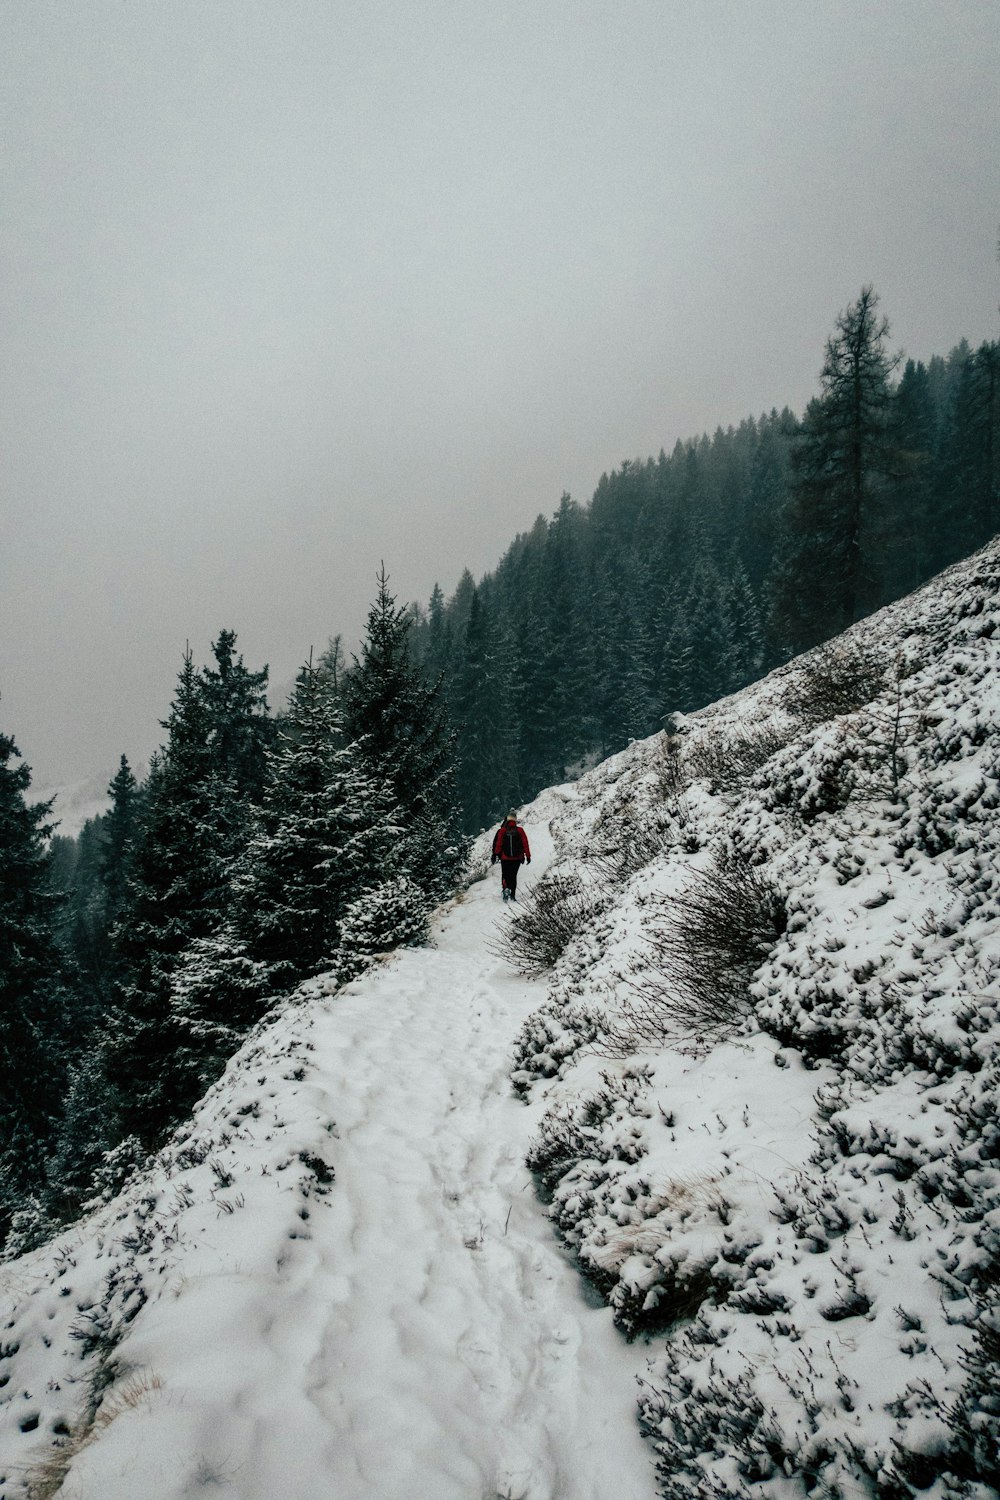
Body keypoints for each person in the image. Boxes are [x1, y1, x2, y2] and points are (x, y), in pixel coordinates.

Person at [491, 809, 530, 901]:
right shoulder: (520, 830)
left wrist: (495, 854)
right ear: (515, 820)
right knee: (513, 876)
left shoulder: (502, 831)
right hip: (517, 858)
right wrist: (528, 856)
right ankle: (512, 895)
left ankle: (505, 890)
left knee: (505, 875)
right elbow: (525, 844)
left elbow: (498, 844)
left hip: (505, 858)